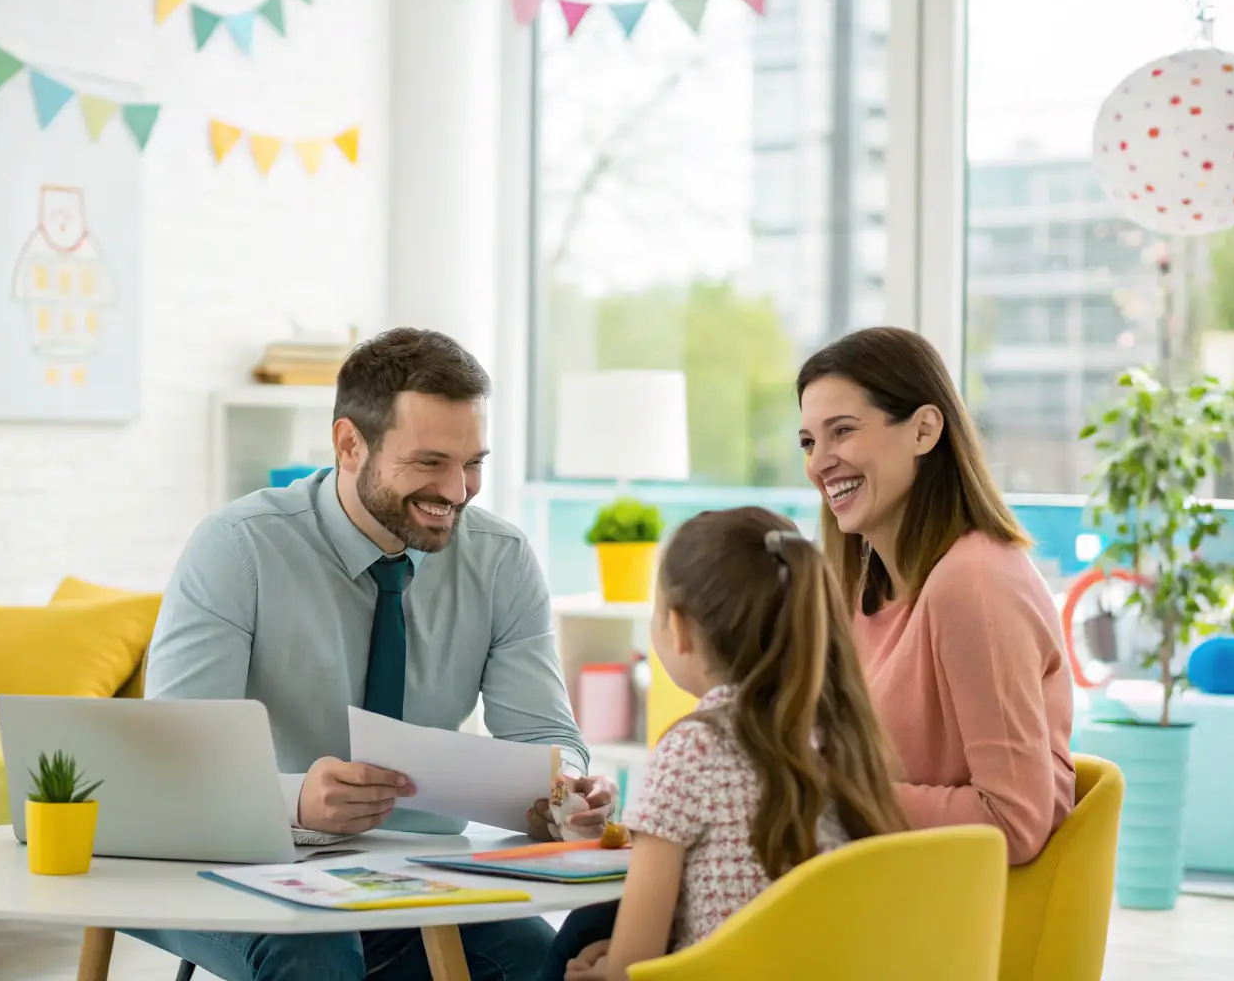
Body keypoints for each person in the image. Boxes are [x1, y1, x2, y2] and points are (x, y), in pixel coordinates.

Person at [124, 327, 618, 981]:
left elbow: (544, 734)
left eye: (473, 462)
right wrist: (298, 800)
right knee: (316, 953)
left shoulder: (501, 560)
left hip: (417, 870)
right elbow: (174, 765)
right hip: (233, 862)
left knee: (537, 959)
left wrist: (567, 790)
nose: (458, 489)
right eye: (429, 462)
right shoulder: (238, 548)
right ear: (349, 444)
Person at [541, 507, 908, 981]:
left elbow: (634, 964)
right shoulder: (845, 735)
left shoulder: (692, 748)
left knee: (568, 949)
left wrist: (608, 965)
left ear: (679, 628)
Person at [795, 326, 1076, 866]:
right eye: (809, 442)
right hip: (876, 883)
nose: (818, 463)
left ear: (924, 431)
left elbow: (1014, 822)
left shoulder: (974, 582)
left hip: (937, 916)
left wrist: (834, 796)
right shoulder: (863, 586)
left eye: (843, 432)